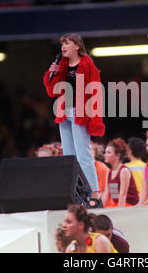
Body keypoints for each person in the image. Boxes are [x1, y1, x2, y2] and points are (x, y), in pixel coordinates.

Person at [44, 33, 105, 208]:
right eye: (62, 44)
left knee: (83, 154)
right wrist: (52, 73)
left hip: (81, 112)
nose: (63, 47)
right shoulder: (62, 66)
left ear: (77, 46)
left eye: (67, 43)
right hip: (65, 111)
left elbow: (96, 92)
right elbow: (52, 91)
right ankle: (77, 192)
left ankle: (94, 192)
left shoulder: (87, 65)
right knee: (69, 156)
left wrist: (95, 118)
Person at [102, 138, 139, 208]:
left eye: (108, 153)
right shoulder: (109, 172)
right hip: (117, 204)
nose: (105, 155)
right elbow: (106, 195)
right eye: (105, 152)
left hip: (129, 205)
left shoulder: (123, 171)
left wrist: (119, 213)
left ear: (118, 155)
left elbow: (123, 195)